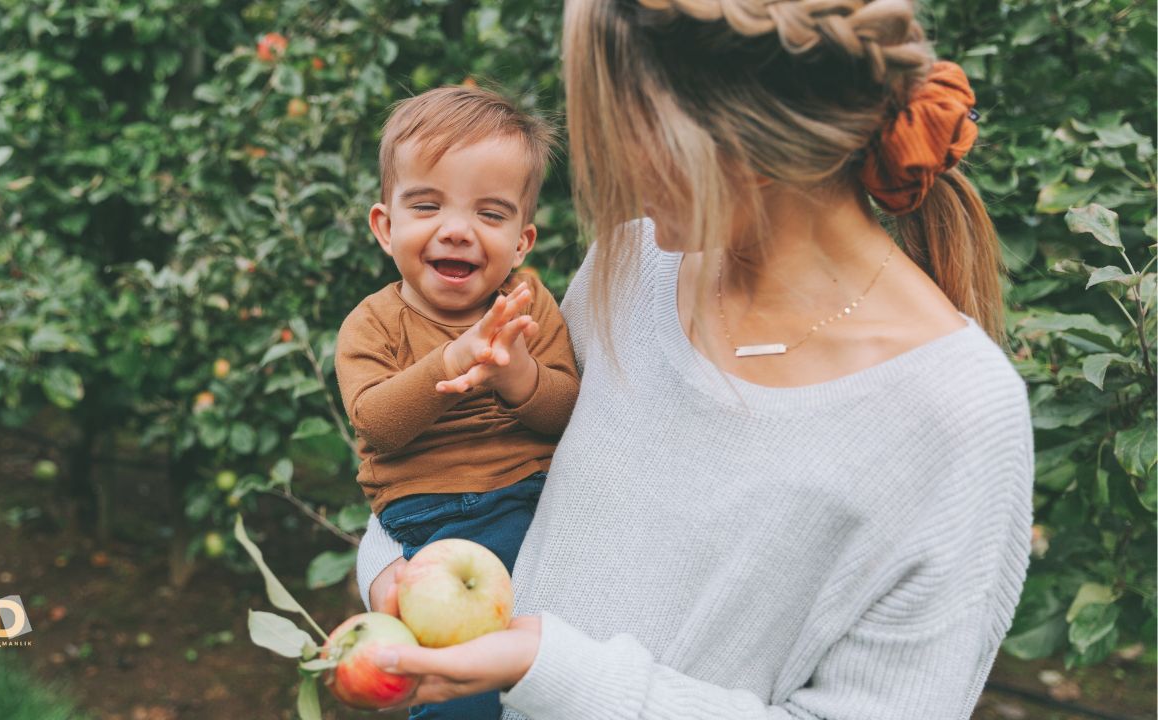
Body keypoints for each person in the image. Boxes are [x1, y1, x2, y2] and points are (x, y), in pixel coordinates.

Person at [352, 1, 1034, 718]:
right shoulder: (632, 266)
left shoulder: (955, 413)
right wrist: (393, 571)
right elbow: (480, 459)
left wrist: (557, 674)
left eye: (625, 126)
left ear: (738, 131)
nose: (608, 164)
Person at [334, 85, 580, 719]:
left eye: (490, 215)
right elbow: (376, 425)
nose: (457, 230)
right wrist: (448, 361)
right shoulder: (373, 325)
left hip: (531, 500)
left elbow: (566, 415)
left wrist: (518, 375)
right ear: (385, 228)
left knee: (549, 664)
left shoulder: (528, 307)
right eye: (427, 205)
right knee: (457, 686)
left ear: (522, 242)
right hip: (430, 518)